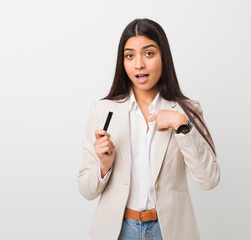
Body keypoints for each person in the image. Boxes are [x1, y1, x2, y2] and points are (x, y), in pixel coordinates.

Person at [78, 18, 220, 240]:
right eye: (130, 55)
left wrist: (182, 126)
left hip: (169, 232)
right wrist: (104, 166)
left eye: (149, 53)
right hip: (119, 231)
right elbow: (86, 190)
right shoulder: (104, 111)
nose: (139, 65)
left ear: (164, 56)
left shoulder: (187, 111)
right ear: (122, 61)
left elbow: (209, 180)